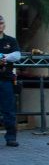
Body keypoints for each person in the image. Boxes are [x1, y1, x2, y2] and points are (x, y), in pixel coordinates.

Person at [0, 15, 21, 147]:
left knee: (9, 110)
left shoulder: (11, 41)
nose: (0, 25)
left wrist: (4, 58)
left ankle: (11, 137)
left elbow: (17, 56)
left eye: (1, 23)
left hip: (6, 79)